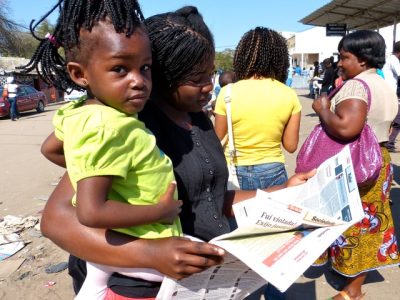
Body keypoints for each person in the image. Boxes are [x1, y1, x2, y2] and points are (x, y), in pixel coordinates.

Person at [38, 5, 315, 300]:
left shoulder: (196, 117)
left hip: (205, 280)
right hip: (144, 286)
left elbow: (209, 198)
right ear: (162, 76)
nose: (209, 87)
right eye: (196, 79)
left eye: (210, 74)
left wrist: (281, 191)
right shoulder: (127, 125)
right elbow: (56, 221)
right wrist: (149, 253)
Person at [22, 1, 183, 299]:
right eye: (120, 69)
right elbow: (91, 212)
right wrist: (161, 210)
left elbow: (51, 148)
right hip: (142, 240)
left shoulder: (78, 112)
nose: (139, 81)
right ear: (79, 74)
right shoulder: (108, 125)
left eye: (145, 67)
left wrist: (92, 171)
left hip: (106, 252)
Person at [309, 30, 400, 300]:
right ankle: (353, 279)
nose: (339, 62)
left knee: (353, 223)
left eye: (344, 57)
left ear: (362, 60)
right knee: (371, 222)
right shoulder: (382, 83)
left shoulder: (357, 86)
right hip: (378, 159)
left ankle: (353, 289)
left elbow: (347, 129)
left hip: (357, 163)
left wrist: (323, 109)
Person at [214, 26, 301, 300]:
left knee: (243, 246)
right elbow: (290, 145)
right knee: (276, 245)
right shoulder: (288, 95)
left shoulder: (227, 94)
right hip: (275, 173)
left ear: (242, 56)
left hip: (236, 176)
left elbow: (217, 141)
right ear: (278, 58)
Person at [382, 41, 400, 152]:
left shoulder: (389, 59)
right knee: (397, 119)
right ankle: (389, 143)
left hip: (388, 94)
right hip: (390, 95)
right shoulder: (394, 60)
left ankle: (387, 142)